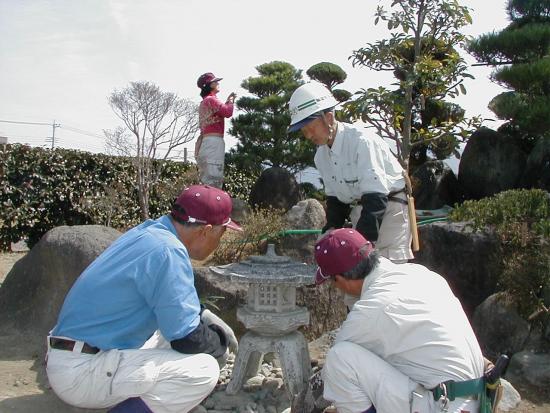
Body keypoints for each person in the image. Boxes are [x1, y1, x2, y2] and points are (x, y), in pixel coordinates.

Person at [46, 184, 242, 413]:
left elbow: (169, 303)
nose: (222, 239)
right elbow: (187, 338)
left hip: (72, 354)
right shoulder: (168, 251)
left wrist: (205, 316)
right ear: (206, 231)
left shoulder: (151, 232)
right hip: (82, 372)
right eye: (223, 231)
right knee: (203, 371)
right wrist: (219, 344)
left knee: (167, 335)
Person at [310, 228, 486, 413]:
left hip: (443, 405)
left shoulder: (371, 309)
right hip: (474, 398)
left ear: (340, 279)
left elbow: (338, 372)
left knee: (339, 359)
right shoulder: (423, 274)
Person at [288, 82, 413, 264]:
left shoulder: (362, 142)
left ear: (328, 118)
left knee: (385, 272)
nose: (308, 135)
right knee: (355, 276)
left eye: (311, 128)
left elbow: (376, 198)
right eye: (304, 131)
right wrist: (330, 231)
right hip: (362, 211)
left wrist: (359, 246)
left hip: (390, 211)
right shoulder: (321, 156)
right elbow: (336, 201)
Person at [195, 72, 236, 188]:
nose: (217, 83)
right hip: (213, 142)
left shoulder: (205, 102)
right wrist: (231, 101)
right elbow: (227, 112)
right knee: (213, 179)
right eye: (215, 81)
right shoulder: (211, 100)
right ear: (209, 85)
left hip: (207, 142)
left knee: (207, 178)